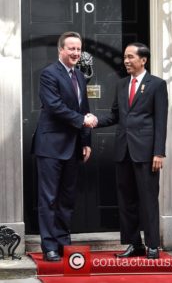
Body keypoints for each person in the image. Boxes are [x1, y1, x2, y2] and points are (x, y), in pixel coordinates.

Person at [96, 42, 168, 259]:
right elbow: (115, 116)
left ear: (143, 60)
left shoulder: (157, 84)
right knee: (126, 200)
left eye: (130, 57)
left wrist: (159, 152)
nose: (126, 61)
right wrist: (92, 121)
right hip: (123, 151)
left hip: (146, 153)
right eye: (125, 57)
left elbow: (160, 120)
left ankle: (153, 244)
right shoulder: (121, 84)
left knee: (148, 199)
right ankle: (134, 244)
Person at [31, 31, 97, 261]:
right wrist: (81, 121)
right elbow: (54, 106)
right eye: (71, 49)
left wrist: (86, 140)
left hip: (73, 147)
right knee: (48, 198)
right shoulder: (49, 74)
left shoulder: (79, 76)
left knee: (67, 198)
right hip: (50, 146)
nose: (76, 53)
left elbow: (83, 108)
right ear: (61, 50)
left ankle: (62, 242)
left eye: (78, 49)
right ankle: (48, 246)